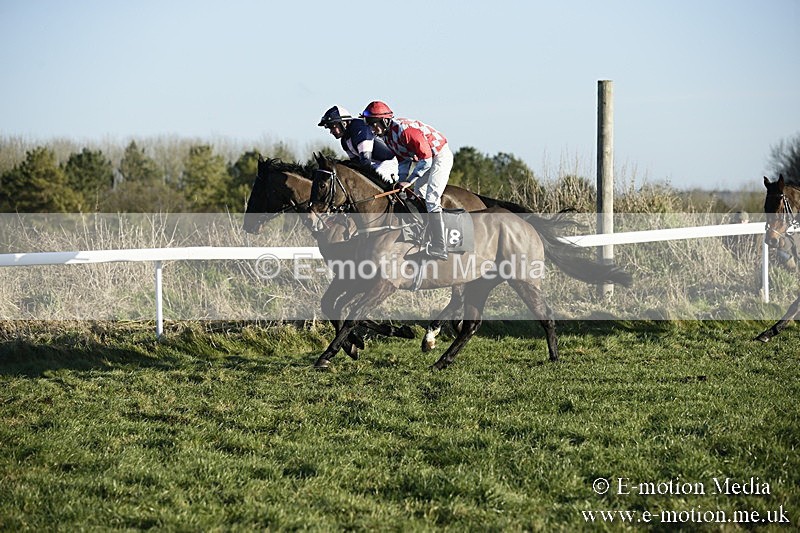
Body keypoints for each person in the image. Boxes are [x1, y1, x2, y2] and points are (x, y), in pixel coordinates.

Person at [360, 100, 453, 260]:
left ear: (385, 120)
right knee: (417, 196)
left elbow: (427, 160)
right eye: (370, 125)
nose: (372, 129)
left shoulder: (406, 131)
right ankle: (426, 237)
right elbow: (403, 161)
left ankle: (440, 246)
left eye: (374, 124)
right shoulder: (388, 137)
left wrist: (408, 181)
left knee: (431, 199)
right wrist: (401, 182)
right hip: (426, 159)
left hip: (439, 156)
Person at [317, 105, 398, 185]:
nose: (331, 131)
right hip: (373, 165)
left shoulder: (360, 129)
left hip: (387, 163)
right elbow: (355, 164)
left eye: (333, 127)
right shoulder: (344, 142)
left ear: (344, 123)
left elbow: (365, 163)